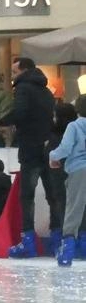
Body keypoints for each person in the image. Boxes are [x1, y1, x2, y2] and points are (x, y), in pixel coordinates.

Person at [0, 57, 56, 259]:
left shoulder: (23, 88)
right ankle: (58, 238)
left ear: (24, 71)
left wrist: (3, 120)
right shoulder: (46, 90)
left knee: (27, 196)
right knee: (53, 194)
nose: (13, 76)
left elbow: (20, 111)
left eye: (14, 72)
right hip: (47, 147)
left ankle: (28, 241)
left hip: (30, 148)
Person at [49, 96, 86, 266]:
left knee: (74, 209)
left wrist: (53, 156)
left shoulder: (74, 126)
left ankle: (68, 250)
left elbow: (65, 148)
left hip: (79, 169)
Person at [44, 102, 78, 253]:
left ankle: (65, 241)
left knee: (62, 207)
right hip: (76, 175)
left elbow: (53, 154)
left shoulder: (55, 135)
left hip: (59, 177)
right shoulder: (78, 131)